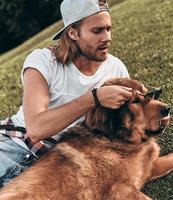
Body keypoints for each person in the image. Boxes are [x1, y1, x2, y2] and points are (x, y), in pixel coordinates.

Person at [0, 0, 133, 187]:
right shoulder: (44, 61)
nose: (107, 37)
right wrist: (94, 98)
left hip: (58, 162)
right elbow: (36, 129)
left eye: (108, 29)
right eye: (97, 31)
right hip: (14, 144)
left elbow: (130, 119)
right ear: (73, 33)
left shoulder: (115, 68)